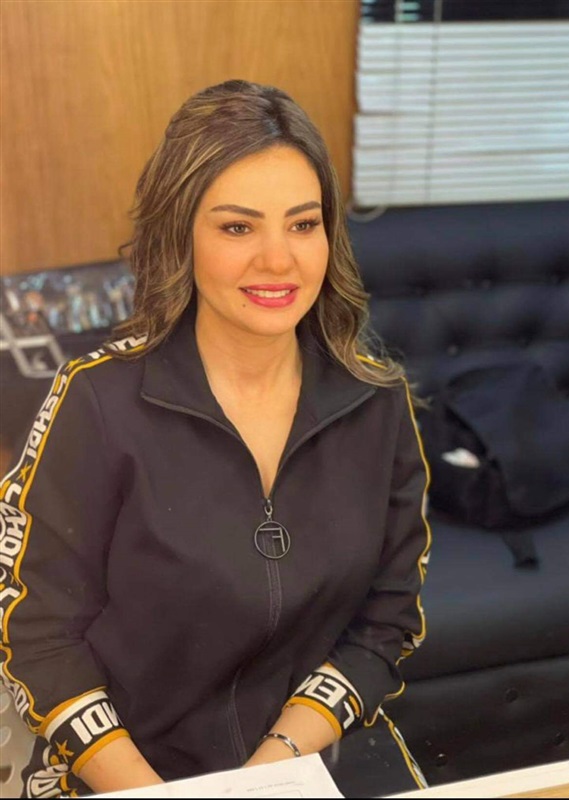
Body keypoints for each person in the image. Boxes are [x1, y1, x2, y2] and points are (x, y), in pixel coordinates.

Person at [0, 80, 431, 798]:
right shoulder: (96, 400)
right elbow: (36, 633)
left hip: (310, 757)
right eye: (238, 228)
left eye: (303, 224)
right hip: (127, 771)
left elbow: (386, 623)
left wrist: (270, 770)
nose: (279, 260)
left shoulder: (376, 402)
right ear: (181, 236)